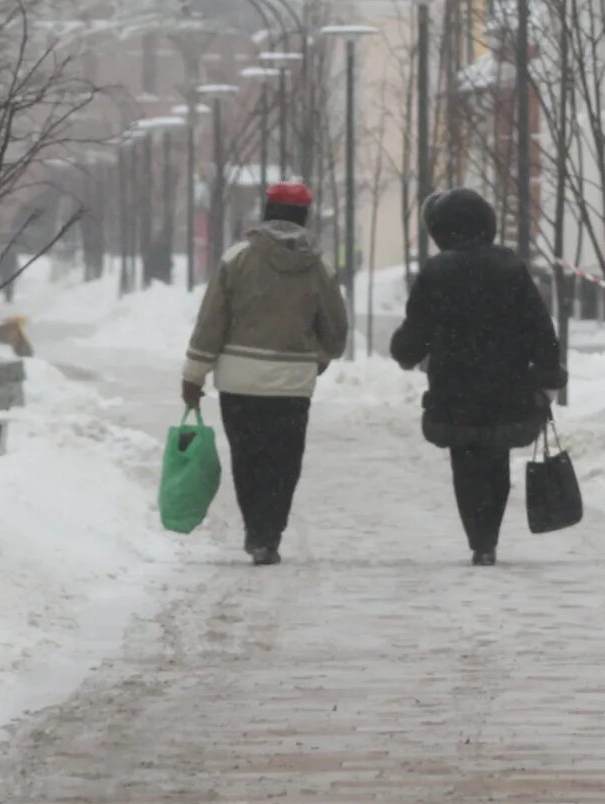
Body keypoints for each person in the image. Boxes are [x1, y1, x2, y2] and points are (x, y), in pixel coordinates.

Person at [389, 187, 564, 566]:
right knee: (496, 461)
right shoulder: (511, 268)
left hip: (455, 388)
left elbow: (415, 332)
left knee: (465, 464)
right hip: (506, 386)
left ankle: (479, 538)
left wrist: (407, 351)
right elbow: (539, 327)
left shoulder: (436, 272)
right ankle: (490, 536)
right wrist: (548, 375)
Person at [181, 182, 348, 565]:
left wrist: (194, 375)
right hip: (292, 384)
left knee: (248, 457)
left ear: (266, 212)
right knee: (284, 461)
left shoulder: (237, 258)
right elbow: (335, 332)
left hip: (240, 382)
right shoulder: (320, 267)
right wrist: (317, 357)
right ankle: (270, 534)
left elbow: (211, 324)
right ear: (304, 217)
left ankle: (255, 530)